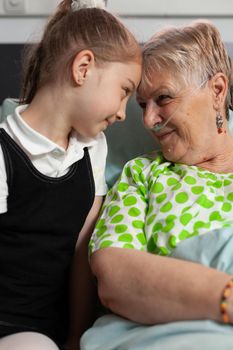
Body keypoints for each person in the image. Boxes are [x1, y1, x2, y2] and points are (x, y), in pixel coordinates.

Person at [81, 20, 233, 350]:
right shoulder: (143, 175)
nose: (149, 120)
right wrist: (226, 297)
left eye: (163, 98)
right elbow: (115, 275)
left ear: (217, 90)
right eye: (141, 105)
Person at [0, 0, 142, 349]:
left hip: (54, 327)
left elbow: (83, 249)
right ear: (83, 68)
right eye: (124, 91)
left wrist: (78, 334)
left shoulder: (93, 148)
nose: (124, 113)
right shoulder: (4, 154)